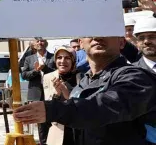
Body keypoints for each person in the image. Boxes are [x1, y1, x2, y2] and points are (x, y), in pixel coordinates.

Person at [13, 36, 156, 145]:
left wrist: (54, 110)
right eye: (91, 32)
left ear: (121, 42)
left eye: (106, 32)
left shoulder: (135, 77)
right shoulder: (84, 81)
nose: (97, 37)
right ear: (81, 43)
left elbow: (107, 106)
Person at [41, 46, 78, 145]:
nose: (62, 61)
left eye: (67, 58)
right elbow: (45, 107)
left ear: (73, 60)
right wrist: (43, 139)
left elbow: (82, 106)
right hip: (56, 132)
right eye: (59, 57)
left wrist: (66, 93)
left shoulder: (81, 77)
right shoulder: (48, 77)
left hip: (77, 132)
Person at [21, 37, 54, 144]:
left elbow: (57, 72)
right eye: (37, 41)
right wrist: (36, 70)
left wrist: (44, 68)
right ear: (34, 44)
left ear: (46, 43)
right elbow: (24, 75)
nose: (40, 43)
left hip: (51, 93)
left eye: (42, 41)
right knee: (40, 122)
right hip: (36, 94)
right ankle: (43, 142)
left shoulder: (53, 57)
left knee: (52, 120)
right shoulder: (29, 59)